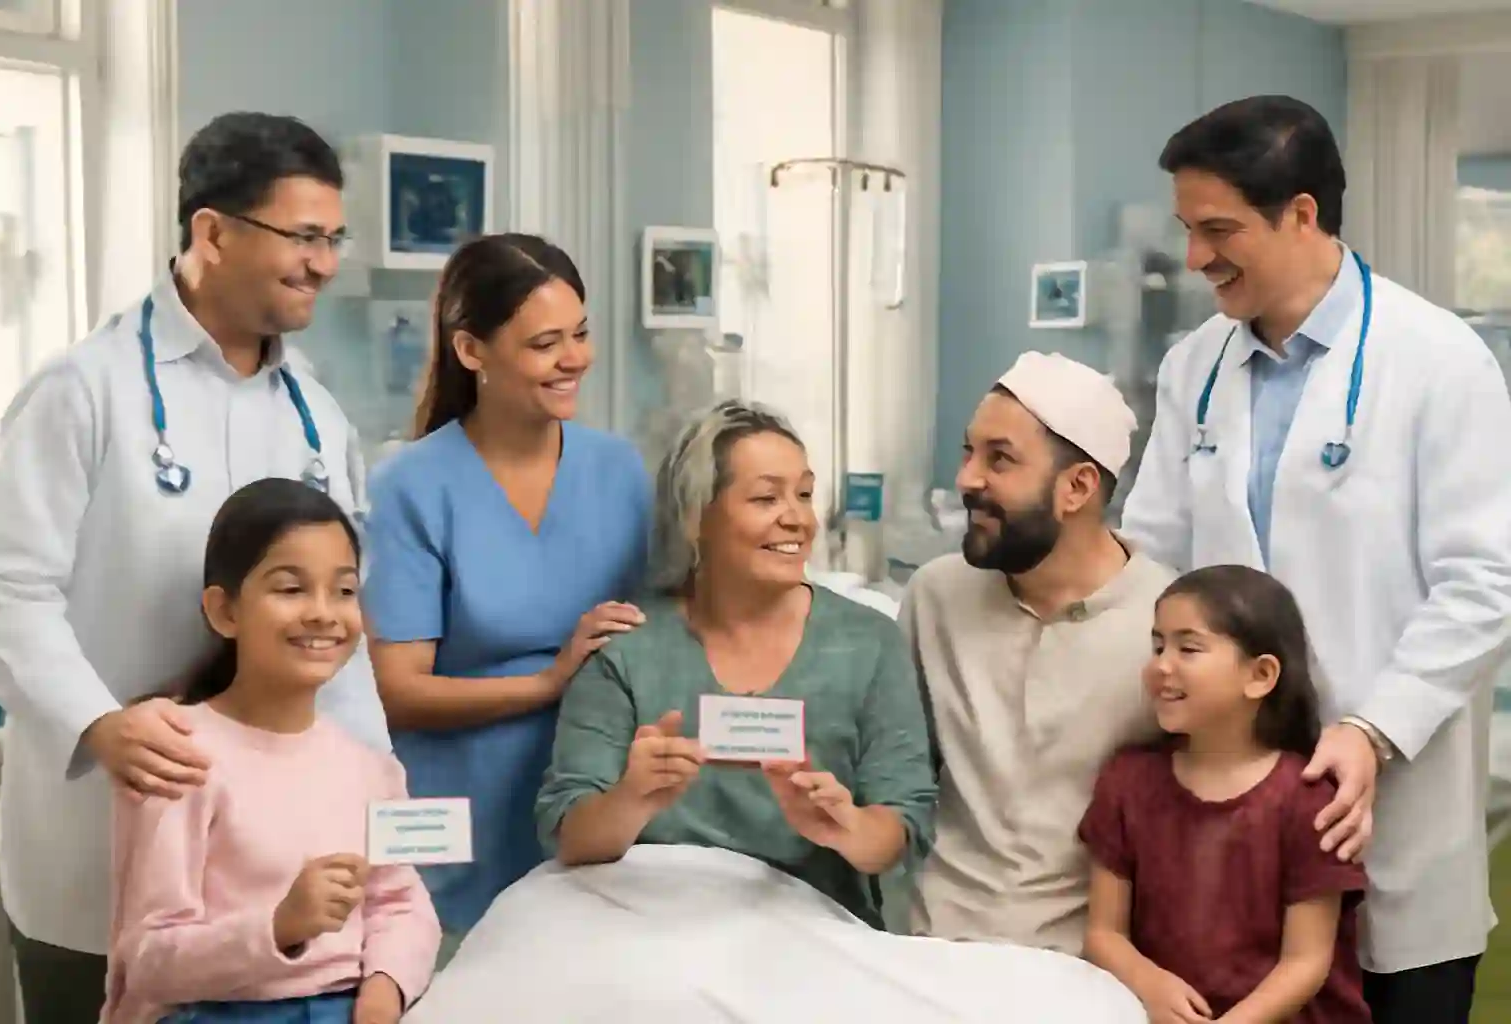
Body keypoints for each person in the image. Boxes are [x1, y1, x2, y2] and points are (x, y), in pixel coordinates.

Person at [0, 111, 389, 1024]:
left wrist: (380, 796)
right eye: (304, 237)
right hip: (99, 849)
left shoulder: (318, 416)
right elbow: (0, 590)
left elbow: (341, 639)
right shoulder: (86, 390)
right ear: (212, 232)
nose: (324, 262)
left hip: (275, 883)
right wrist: (99, 725)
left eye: (333, 239)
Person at [1119, 95, 1511, 1023]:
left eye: (1219, 230)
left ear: (1302, 214)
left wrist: (1373, 729)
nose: (1196, 258)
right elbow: (1155, 559)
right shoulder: (1194, 367)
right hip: (1230, 818)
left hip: (1389, 814)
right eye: (1187, 229)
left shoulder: (1438, 360)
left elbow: (1488, 578)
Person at [535, 400, 936, 928]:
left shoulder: (869, 643)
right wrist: (632, 800)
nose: (796, 517)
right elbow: (568, 832)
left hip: (809, 932)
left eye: (806, 494)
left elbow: (903, 822)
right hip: (647, 928)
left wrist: (847, 828)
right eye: (767, 497)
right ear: (696, 517)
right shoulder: (628, 647)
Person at [363, 234, 651, 956]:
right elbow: (396, 690)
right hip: (453, 830)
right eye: (545, 343)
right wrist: (549, 681)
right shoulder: (412, 486)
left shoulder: (619, 472)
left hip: (588, 814)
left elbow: (662, 638)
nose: (575, 358)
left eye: (580, 334)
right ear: (472, 351)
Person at [105, 479, 439, 1024]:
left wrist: (385, 991)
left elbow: (399, 905)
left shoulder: (370, 768)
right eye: (290, 589)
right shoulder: (177, 754)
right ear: (225, 612)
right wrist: (280, 925)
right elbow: (148, 960)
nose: (323, 613)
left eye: (344, 590)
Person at [901, 351, 1175, 954]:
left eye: (999, 459)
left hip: (1088, 971)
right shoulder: (936, 597)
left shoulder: (1167, 625)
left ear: (1077, 487)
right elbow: (897, 780)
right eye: (968, 452)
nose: (968, 479)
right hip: (927, 951)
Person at [1080, 565, 1371, 1024]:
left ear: (1260, 675)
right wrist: (1148, 982)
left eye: (1188, 648)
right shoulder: (1126, 782)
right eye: (1158, 646)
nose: (1161, 665)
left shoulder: (1309, 800)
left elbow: (1306, 963)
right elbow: (1103, 933)